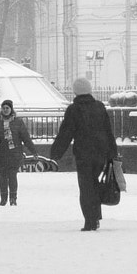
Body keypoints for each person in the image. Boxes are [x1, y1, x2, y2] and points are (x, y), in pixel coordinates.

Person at [49, 77, 119, 231]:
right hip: (101, 153)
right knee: (94, 184)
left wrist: (56, 152)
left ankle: (90, 220)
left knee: (87, 186)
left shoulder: (74, 110)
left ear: (75, 92)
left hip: (84, 154)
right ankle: (95, 217)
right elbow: (108, 131)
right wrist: (113, 152)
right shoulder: (99, 107)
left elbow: (66, 133)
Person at [0, 98, 35, 207]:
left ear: (11, 109)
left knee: (12, 176)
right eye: (3, 108)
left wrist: (33, 150)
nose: (5, 110)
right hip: (0, 154)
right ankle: (3, 198)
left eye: (7, 108)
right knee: (2, 177)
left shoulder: (18, 122)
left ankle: (13, 198)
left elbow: (25, 137)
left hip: (14, 154)